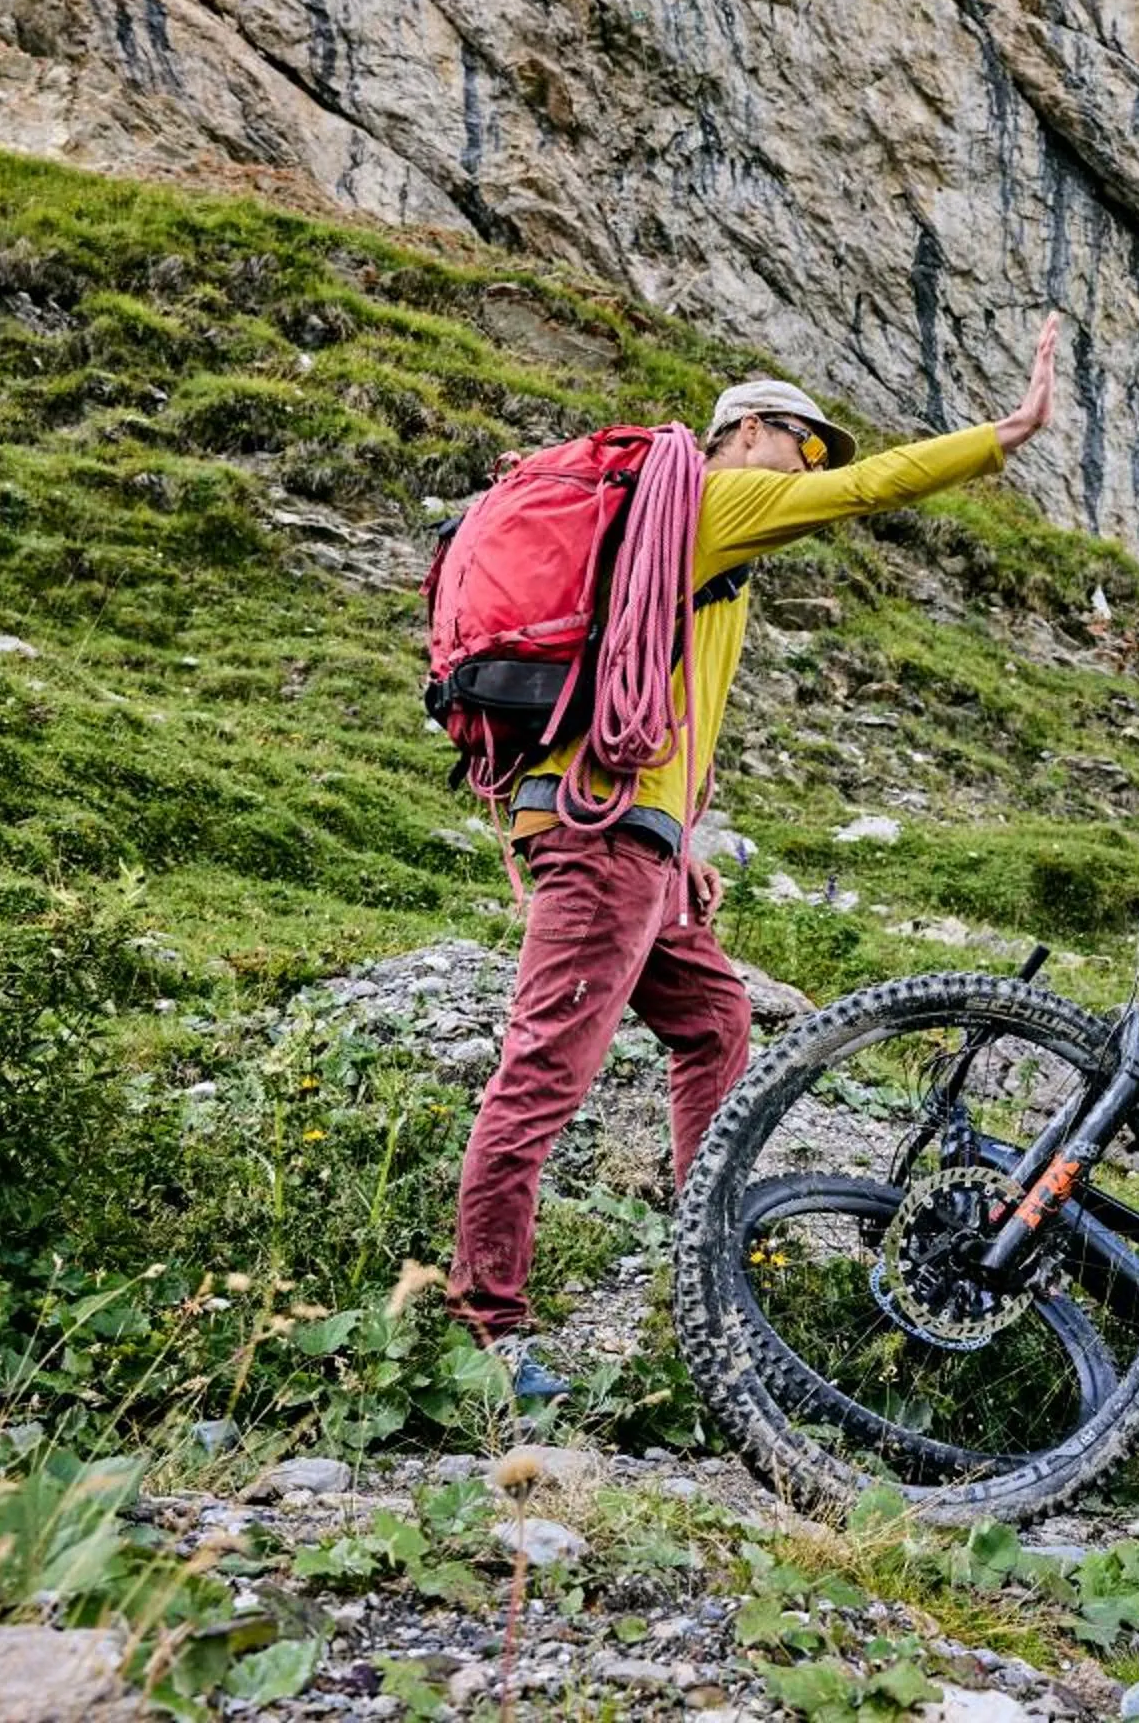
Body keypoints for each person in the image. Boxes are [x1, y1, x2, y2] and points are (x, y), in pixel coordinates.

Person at [447, 318, 1066, 1386]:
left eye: (819, 450)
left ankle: (706, 1275)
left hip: (634, 839)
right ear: (751, 432)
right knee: (544, 1072)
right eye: (803, 442)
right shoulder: (714, 498)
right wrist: (1002, 436)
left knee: (715, 1020)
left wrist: (680, 842)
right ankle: (489, 1329)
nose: (812, 465)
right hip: (600, 841)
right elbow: (870, 489)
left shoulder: (696, 547)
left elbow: (664, 707)